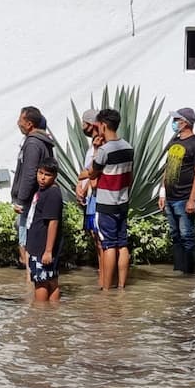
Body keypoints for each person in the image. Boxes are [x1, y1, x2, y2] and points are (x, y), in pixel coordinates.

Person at [78, 109, 134, 290]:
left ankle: (107, 290)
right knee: (122, 244)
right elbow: (130, 176)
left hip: (106, 204)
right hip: (123, 201)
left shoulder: (104, 150)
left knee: (108, 245)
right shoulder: (128, 147)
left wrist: (82, 174)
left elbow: (93, 172)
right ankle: (122, 286)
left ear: (102, 125)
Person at [158, 108, 195, 274]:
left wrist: (192, 199)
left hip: (184, 198)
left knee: (187, 236)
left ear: (185, 122)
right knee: (175, 235)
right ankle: (178, 269)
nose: (175, 122)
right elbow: (167, 167)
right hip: (170, 197)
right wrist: (162, 192)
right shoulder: (174, 142)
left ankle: (189, 272)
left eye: (177, 119)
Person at [11, 106, 54, 276]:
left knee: (26, 243)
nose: (18, 123)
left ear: (29, 124)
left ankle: (30, 284)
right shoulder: (40, 141)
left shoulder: (33, 143)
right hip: (35, 199)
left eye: (20, 120)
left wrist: (21, 201)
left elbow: (29, 174)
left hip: (29, 202)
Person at [25, 158, 63, 301]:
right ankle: (50, 316)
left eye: (47, 175)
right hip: (40, 245)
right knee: (51, 280)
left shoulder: (52, 194)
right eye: (40, 173)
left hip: (43, 247)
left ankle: (41, 316)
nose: (42, 177)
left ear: (54, 176)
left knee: (41, 282)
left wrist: (48, 251)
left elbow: (53, 222)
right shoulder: (43, 190)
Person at [75, 109, 105, 288]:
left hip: (96, 195)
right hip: (89, 195)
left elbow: (95, 170)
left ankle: (105, 276)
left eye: (83, 123)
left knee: (100, 237)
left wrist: (83, 184)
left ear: (90, 124)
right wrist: (80, 186)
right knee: (95, 237)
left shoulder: (100, 146)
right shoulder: (91, 145)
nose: (82, 127)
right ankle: (102, 273)